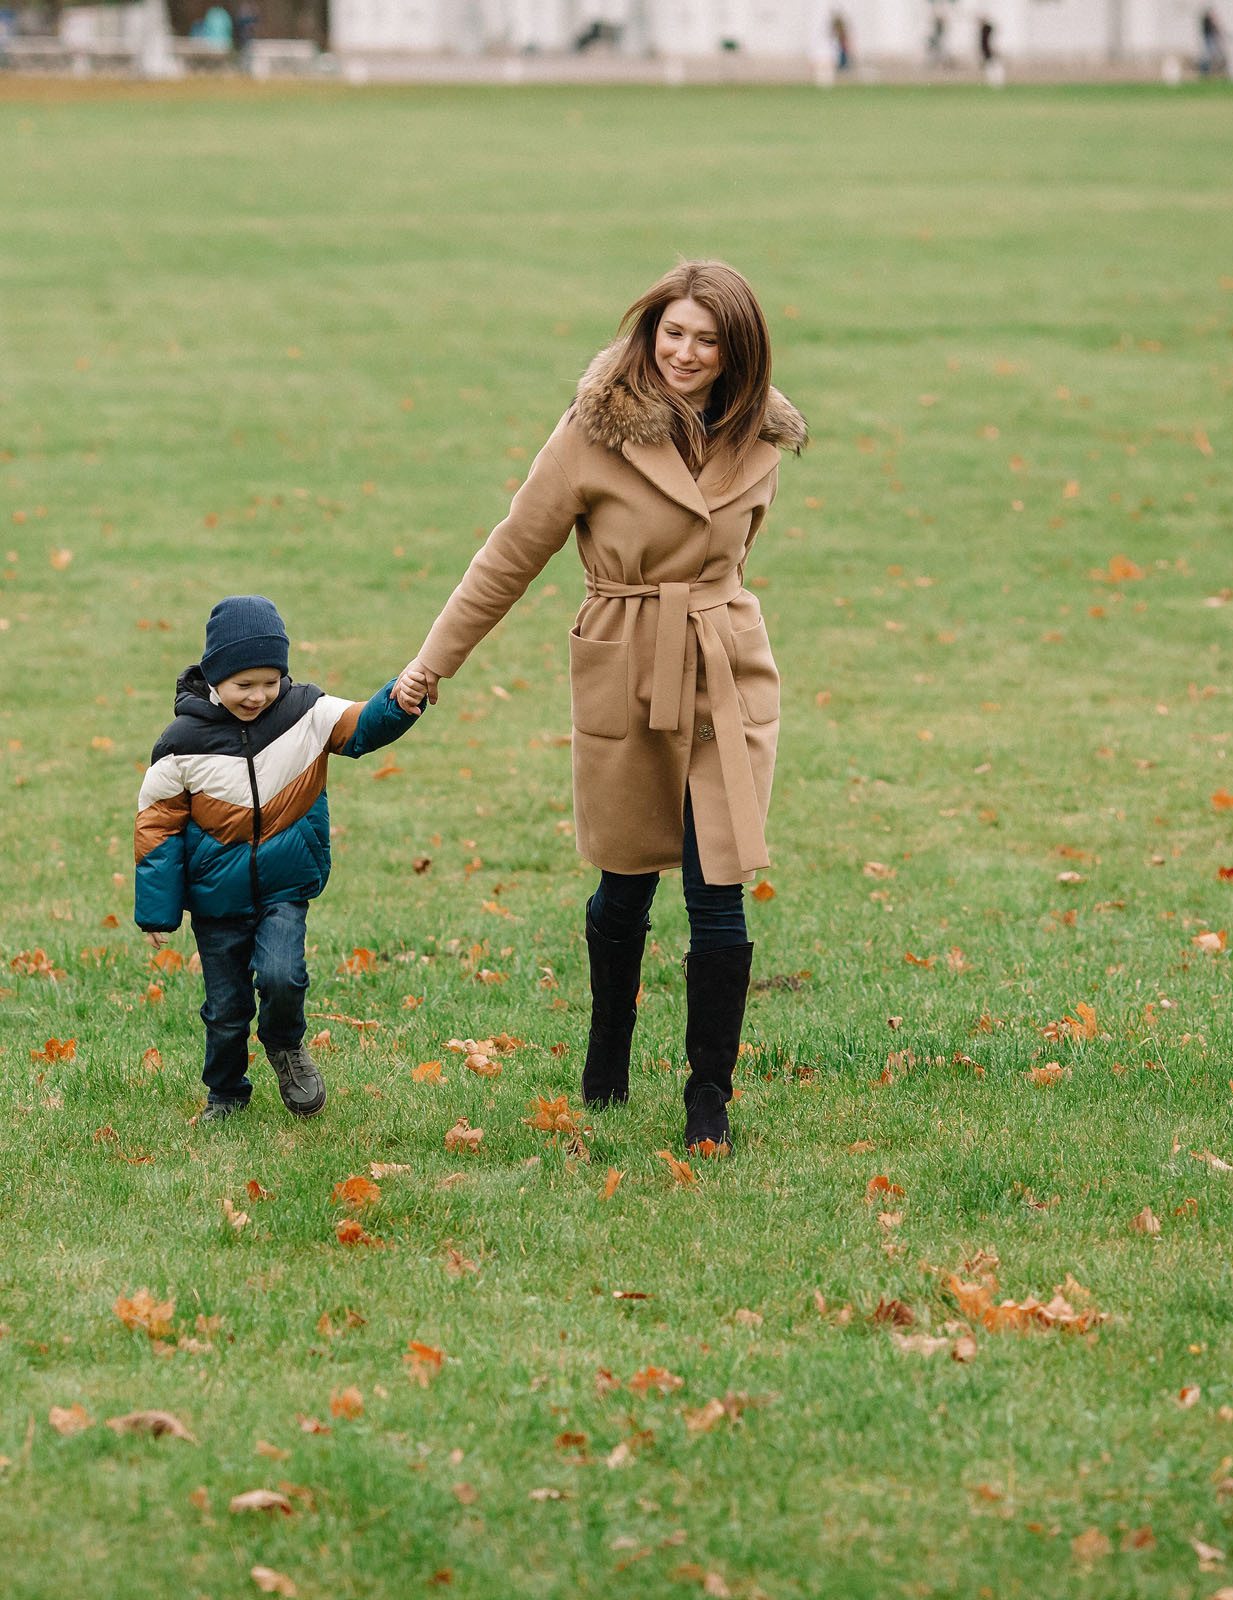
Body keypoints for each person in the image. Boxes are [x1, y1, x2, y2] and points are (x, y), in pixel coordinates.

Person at [395, 261, 805, 1156]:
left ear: (738, 351)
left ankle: (709, 1103)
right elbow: (509, 556)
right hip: (627, 666)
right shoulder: (592, 431)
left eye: (708, 338)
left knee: (720, 891)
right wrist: (430, 666)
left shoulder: (758, 434)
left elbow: (733, 557)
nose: (686, 353)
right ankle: (606, 1062)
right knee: (623, 886)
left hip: (728, 674)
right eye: (673, 332)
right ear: (648, 328)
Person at [134, 596, 423, 1122]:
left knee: (283, 975)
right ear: (215, 678)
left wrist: (399, 701)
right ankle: (225, 1093)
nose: (258, 696)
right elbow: (157, 824)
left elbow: (362, 725)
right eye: (244, 685)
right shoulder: (181, 743)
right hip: (216, 901)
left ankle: (286, 1044)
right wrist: (159, 910)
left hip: (284, 886)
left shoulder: (306, 713)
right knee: (225, 1011)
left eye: (270, 681)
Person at [1197, 8, 1223, 75]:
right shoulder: (1207, 21)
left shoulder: (1208, 22)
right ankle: (1207, 71)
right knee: (1209, 55)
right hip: (1209, 39)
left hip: (1210, 39)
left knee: (1212, 55)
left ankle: (1212, 70)